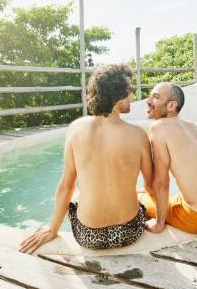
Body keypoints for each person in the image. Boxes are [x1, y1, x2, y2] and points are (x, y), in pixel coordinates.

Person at [19, 64, 153, 253]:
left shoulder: (76, 129)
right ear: (117, 95)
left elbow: (65, 186)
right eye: (129, 91)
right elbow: (151, 186)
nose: (132, 96)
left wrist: (52, 229)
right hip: (130, 231)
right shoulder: (139, 135)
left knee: (74, 194)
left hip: (88, 236)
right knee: (137, 195)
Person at [140, 82, 197, 235]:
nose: (148, 101)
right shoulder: (194, 127)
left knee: (137, 198)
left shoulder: (159, 127)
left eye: (155, 97)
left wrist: (159, 223)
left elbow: (161, 183)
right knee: (152, 193)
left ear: (171, 105)